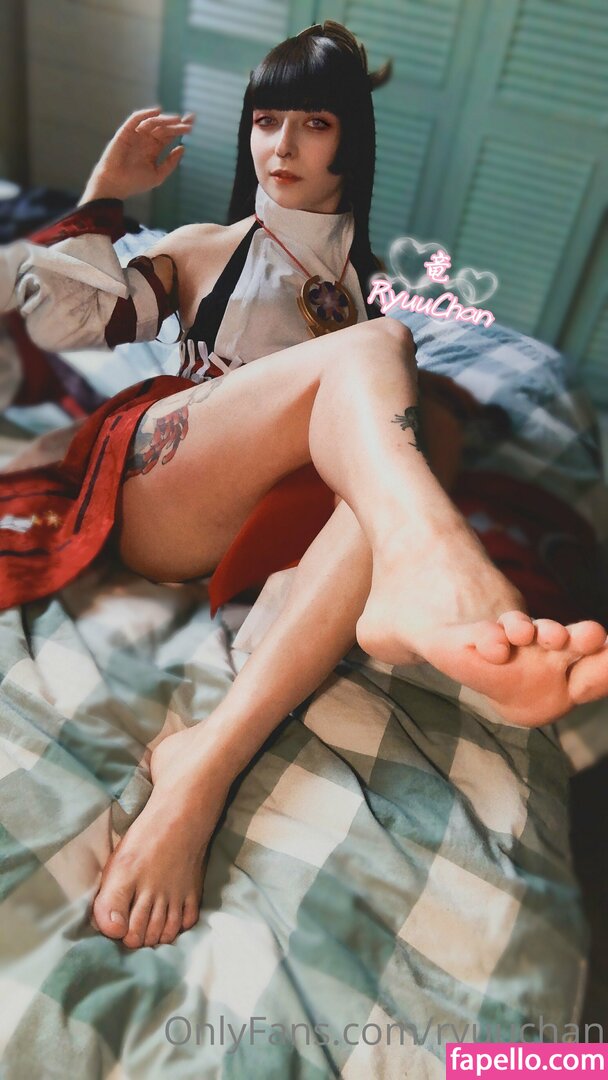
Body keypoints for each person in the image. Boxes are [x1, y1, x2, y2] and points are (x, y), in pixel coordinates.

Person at [1, 22, 607, 952]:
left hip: (278, 522)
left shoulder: (363, 281)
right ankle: (426, 560)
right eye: (266, 120)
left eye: (313, 124)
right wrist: (104, 199)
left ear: (349, 143)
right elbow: (63, 321)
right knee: (386, 357)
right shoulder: (205, 247)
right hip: (165, 485)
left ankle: (206, 755)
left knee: (416, 423)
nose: (280, 146)